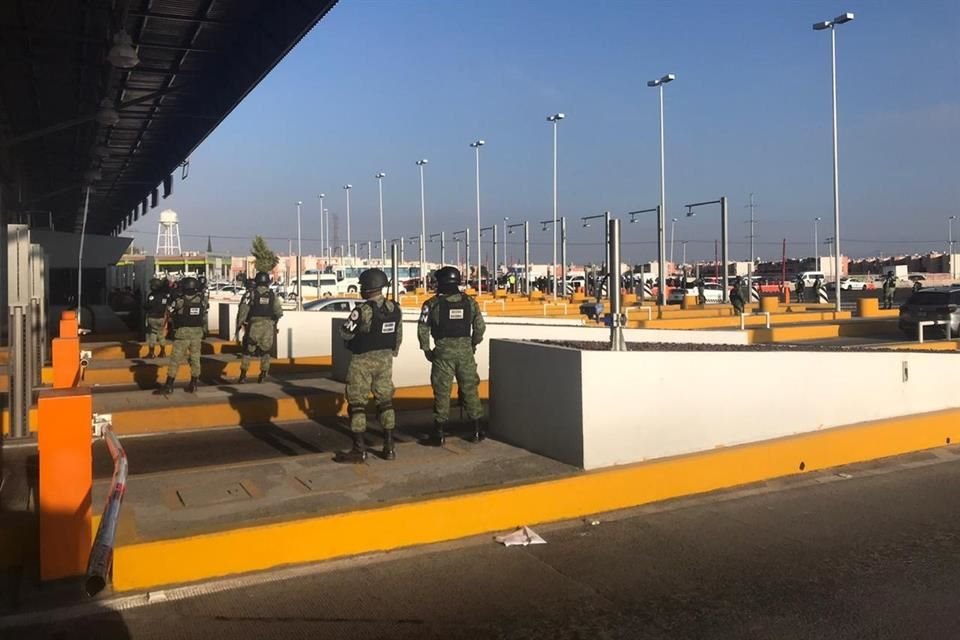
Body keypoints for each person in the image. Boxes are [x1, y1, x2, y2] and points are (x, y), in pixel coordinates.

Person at [334, 268, 402, 463]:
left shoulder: (362, 311)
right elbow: (398, 336)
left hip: (362, 362)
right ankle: (389, 447)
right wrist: (390, 353)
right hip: (385, 361)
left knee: (357, 404)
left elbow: (345, 333)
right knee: (386, 402)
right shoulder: (395, 308)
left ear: (368, 287)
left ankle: (358, 449)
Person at [418, 266, 486, 445]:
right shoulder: (470, 302)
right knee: (470, 389)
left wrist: (426, 349)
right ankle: (477, 430)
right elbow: (480, 328)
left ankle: (439, 433)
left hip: (442, 354)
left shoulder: (431, 304)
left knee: (442, 392)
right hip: (465, 353)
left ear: (441, 283)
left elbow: (422, 329)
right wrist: (472, 344)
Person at [155, 276, 205, 395]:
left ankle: (169, 385)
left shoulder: (180, 300)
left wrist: (173, 296)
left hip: (182, 334)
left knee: (175, 360)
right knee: (195, 359)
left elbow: (170, 309)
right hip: (197, 333)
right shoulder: (202, 299)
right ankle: (194, 383)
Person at [235, 271, 283, 383]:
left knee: (247, 351)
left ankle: (243, 374)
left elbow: (243, 310)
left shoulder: (250, 294)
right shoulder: (272, 295)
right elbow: (279, 313)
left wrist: (240, 324)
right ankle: (263, 373)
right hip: (268, 327)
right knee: (265, 352)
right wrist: (273, 324)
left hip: (253, 327)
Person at [143, 277, 170, 359]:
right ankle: (163, 352)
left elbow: (148, 306)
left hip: (152, 317)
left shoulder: (151, 295)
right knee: (161, 335)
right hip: (161, 317)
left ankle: (151, 353)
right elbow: (166, 306)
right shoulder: (164, 296)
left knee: (153, 334)